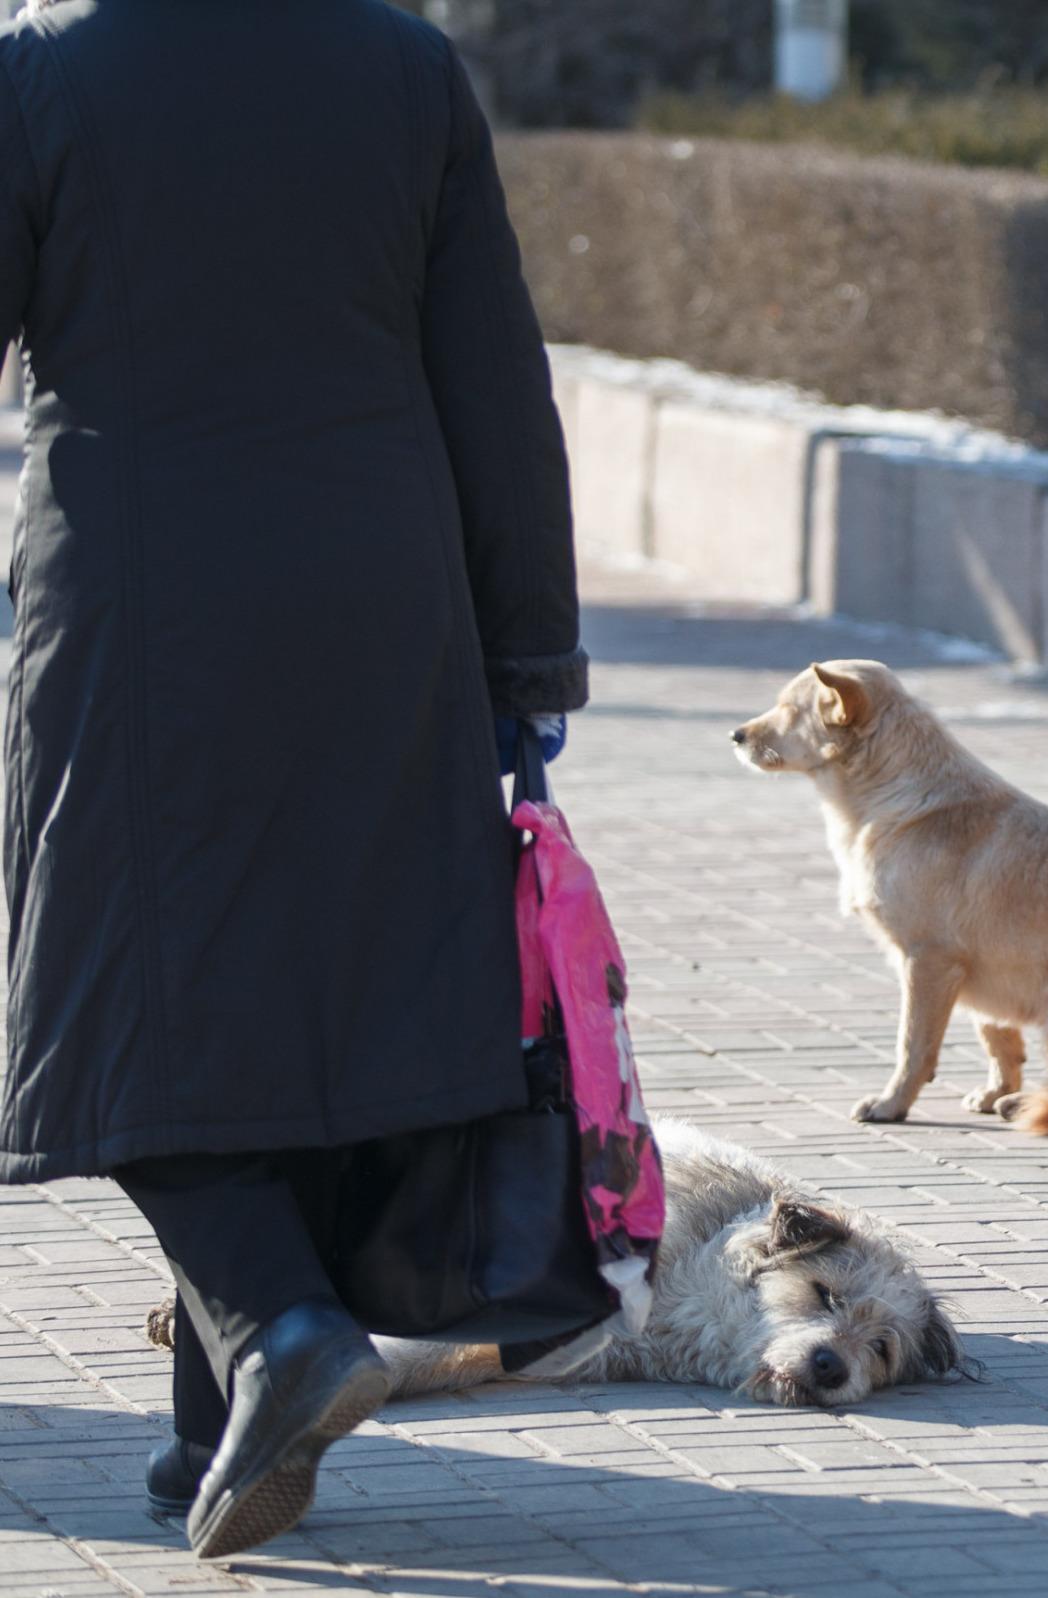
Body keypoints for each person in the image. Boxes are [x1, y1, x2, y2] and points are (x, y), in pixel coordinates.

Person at [0, 0, 584, 1559]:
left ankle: (275, 1329)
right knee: (317, 984)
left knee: (108, 994)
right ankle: (218, 1425)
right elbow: (493, 372)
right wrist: (529, 655)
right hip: (384, 591)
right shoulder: (399, 59)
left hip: (141, 590)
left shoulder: (47, 65)